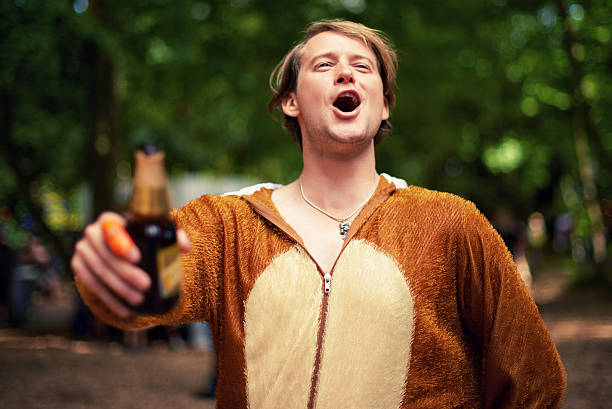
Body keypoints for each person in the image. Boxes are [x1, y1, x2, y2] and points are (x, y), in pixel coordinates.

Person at [71, 19, 566, 409]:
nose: (345, 72)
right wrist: (113, 273)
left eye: (363, 67)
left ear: (385, 105)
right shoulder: (227, 224)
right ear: (290, 101)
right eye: (324, 65)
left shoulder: (451, 223)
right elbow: (148, 289)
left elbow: (534, 378)